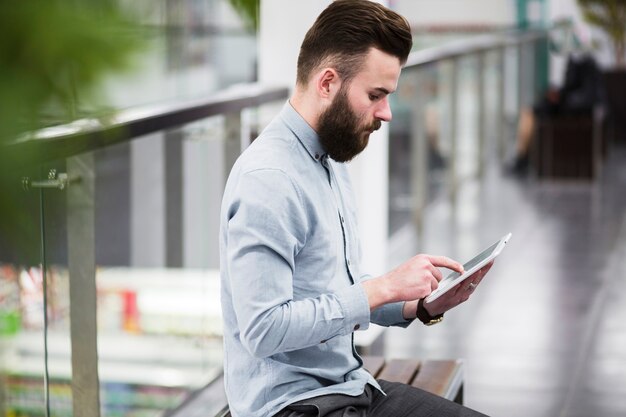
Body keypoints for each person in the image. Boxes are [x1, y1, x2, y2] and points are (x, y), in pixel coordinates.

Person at [219, 1, 493, 416]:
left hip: (347, 388)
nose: (386, 112)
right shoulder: (269, 179)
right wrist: (382, 287)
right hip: (293, 407)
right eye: (375, 95)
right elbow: (263, 329)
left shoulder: (327, 157)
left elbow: (332, 287)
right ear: (327, 82)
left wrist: (417, 305)